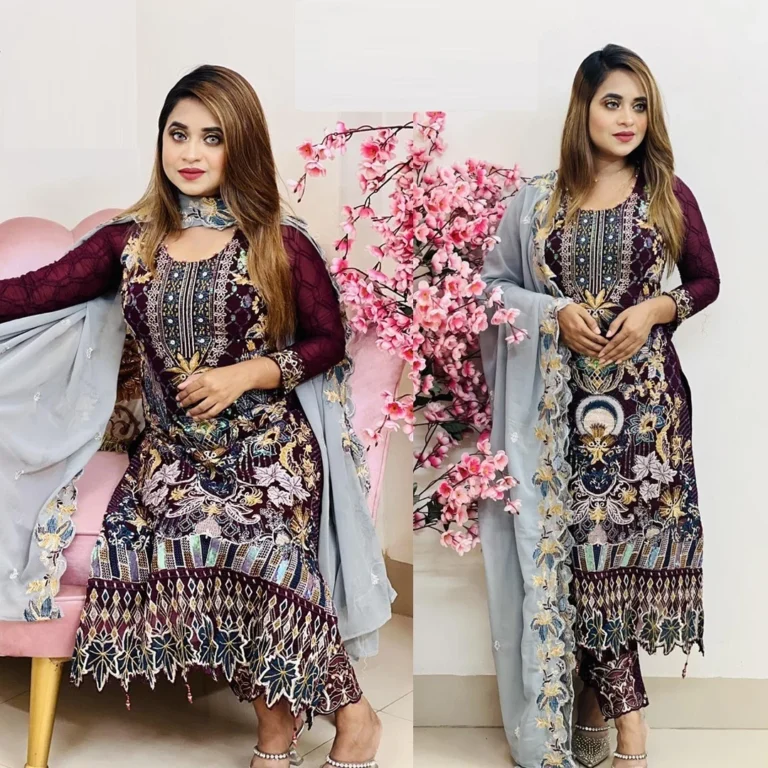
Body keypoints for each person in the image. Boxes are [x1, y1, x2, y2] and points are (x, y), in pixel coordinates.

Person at [0, 65, 390, 768]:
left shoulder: (277, 239)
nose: (190, 152)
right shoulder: (129, 242)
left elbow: (327, 341)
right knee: (196, 541)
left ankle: (334, 720)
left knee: (262, 548)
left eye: (212, 137)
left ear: (240, 145)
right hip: (173, 455)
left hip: (269, 447)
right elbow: (32, 293)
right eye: (178, 134)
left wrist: (249, 373)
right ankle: (303, 722)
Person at [479, 44, 719, 768]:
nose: (626, 118)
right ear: (582, 108)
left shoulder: (666, 193)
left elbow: (706, 281)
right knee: (579, 564)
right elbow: (493, 288)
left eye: (639, 105)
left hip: (647, 414)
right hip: (558, 411)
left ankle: (605, 715)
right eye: (612, 102)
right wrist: (551, 311)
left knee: (621, 564)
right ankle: (629, 729)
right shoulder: (538, 202)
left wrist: (654, 309)